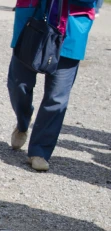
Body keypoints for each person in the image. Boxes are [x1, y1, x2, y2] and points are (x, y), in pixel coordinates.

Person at [8, 0, 97, 171]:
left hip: (71, 27)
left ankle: (39, 151)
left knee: (57, 97)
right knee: (18, 85)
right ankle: (22, 123)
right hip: (32, 19)